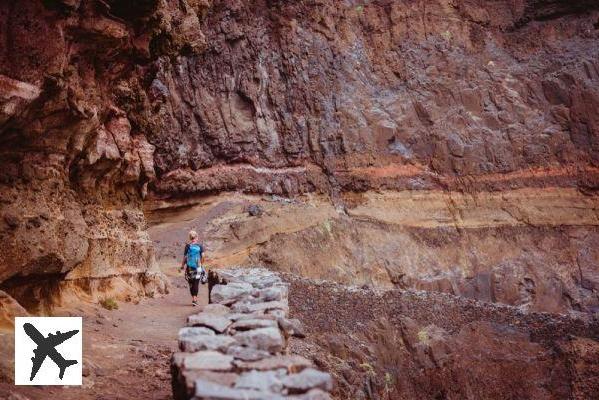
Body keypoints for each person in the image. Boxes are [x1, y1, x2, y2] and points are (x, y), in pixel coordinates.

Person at [180, 230, 206, 306]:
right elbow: (203, 256)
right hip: (198, 267)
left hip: (189, 268)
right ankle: (194, 299)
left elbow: (185, 257)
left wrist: (182, 266)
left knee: (191, 283)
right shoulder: (200, 246)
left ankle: (193, 298)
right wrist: (201, 263)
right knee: (196, 283)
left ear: (190, 238)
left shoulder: (187, 246)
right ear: (197, 237)